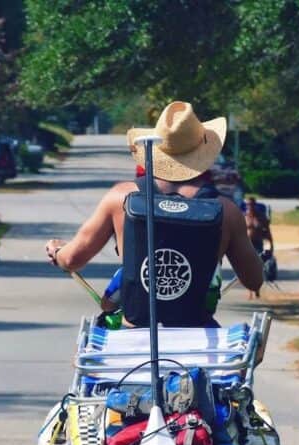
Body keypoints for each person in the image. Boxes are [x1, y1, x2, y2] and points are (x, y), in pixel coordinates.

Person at [44, 101, 263, 327]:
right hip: (195, 332)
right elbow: (254, 281)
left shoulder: (120, 198)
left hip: (133, 331)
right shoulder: (225, 211)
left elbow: (72, 259)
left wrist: (57, 251)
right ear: (203, 152)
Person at [243, 196, 274, 300]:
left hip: (258, 245)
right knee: (247, 268)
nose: (250, 206)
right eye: (248, 204)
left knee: (257, 267)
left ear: (255, 205)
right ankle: (250, 291)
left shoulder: (261, 217)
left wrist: (271, 246)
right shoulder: (244, 218)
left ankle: (256, 288)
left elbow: (268, 232)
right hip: (247, 245)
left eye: (251, 204)